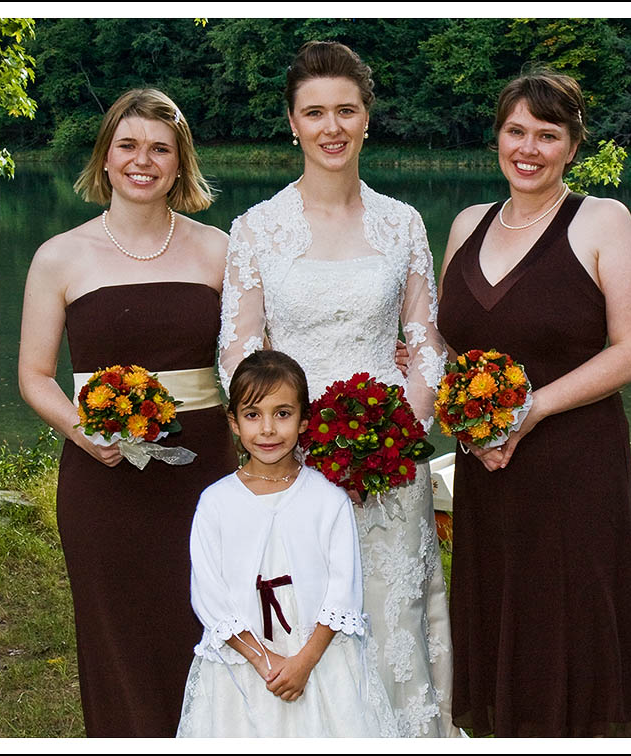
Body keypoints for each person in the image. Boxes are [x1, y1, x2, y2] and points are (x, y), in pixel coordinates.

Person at [218, 41, 460, 738]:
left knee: (388, 611)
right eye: (314, 112)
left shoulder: (402, 222)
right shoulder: (256, 228)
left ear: (365, 119)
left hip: (391, 459)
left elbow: (423, 341)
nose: (331, 127)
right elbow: (238, 349)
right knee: (297, 607)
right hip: (287, 459)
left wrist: (397, 438)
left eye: (345, 111)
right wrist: (283, 444)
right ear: (291, 122)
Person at [437, 68, 631, 737]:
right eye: (515, 130)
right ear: (497, 136)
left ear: (571, 144)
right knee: (499, 617)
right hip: (486, 465)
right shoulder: (466, 223)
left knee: (565, 623)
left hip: (570, 465)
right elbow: (453, 347)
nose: (527, 147)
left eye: (546, 133)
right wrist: (473, 425)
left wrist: (524, 412)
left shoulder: (602, 220)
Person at [17, 88, 238, 737]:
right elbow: (33, 375)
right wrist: (81, 432)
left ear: (180, 162)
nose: (144, 160)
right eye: (129, 146)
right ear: (106, 157)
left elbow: (256, 365)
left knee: (209, 629)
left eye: (160, 149)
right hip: (103, 480)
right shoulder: (59, 255)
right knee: (121, 639)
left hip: (206, 479)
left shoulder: (219, 250)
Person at [176, 350, 398, 737]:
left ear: (304, 420)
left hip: (319, 663)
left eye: (282, 414)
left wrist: (303, 663)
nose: (267, 430)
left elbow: (343, 591)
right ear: (233, 422)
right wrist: (266, 662)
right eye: (252, 414)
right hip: (244, 668)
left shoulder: (327, 499)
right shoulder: (216, 502)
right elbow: (209, 595)